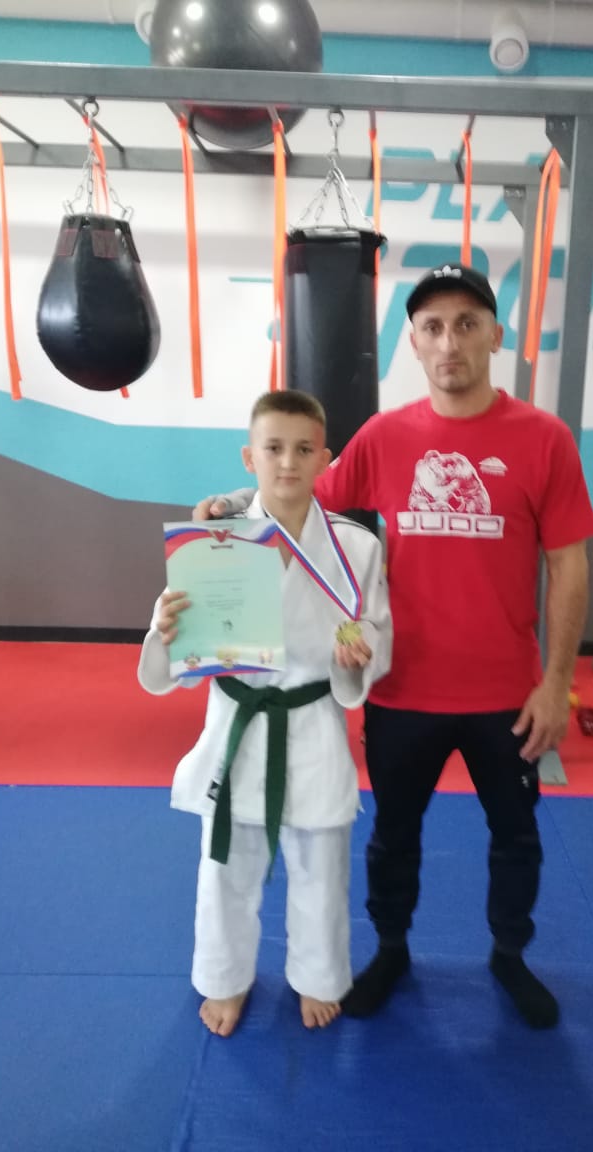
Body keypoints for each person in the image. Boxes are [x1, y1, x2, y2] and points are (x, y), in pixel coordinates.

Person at [193, 262, 593, 1029]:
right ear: (413, 341)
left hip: (507, 695)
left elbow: (569, 565)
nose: (450, 342)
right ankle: (390, 950)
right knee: (393, 837)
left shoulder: (544, 440)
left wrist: (556, 684)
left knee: (516, 836)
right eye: (433, 327)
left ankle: (509, 955)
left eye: (467, 325)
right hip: (403, 688)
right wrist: (232, 505)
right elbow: (301, 491)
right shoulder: (386, 437)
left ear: (495, 336)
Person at [140, 390, 392, 1036]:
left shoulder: (357, 548)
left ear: (325, 460)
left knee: (322, 867)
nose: (288, 462)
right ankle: (225, 979)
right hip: (239, 724)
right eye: (273, 448)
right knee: (226, 866)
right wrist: (166, 630)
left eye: (304, 449)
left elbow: (377, 631)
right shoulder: (213, 542)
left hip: (312, 723)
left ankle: (318, 977)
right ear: (249, 457)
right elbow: (178, 640)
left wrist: (359, 654)